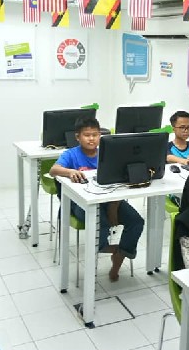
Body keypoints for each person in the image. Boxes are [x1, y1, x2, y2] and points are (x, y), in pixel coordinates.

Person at [49, 116, 144, 282]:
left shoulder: (107, 155)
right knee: (102, 222)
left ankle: (119, 256)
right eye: (87, 135)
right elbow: (53, 170)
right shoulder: (71, 154)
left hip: (109, 200)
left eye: (95, 134)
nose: (91, 138)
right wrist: (70, 171)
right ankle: (112, 249)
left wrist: (114, 206)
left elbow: (118, 181)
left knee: (136, 221)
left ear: (100, 135)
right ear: (77, 137)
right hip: (80, 203)